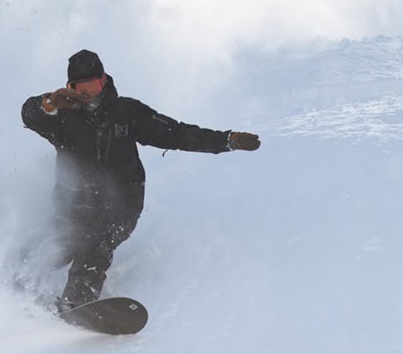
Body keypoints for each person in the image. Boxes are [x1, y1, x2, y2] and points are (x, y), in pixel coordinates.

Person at [20, 49, 261, 311]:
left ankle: (76, 303)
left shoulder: (127, 112)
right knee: (49, 244)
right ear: (70, 88)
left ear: (104, 80)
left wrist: (225, 140)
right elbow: (29, 115)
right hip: (74, 205)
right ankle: (8, 284)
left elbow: (177, 134)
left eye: (95, 84)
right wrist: (49, 103)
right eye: (83, 87)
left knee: (95, 246)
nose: (91, 92)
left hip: (120, 206)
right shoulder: (61, 118)